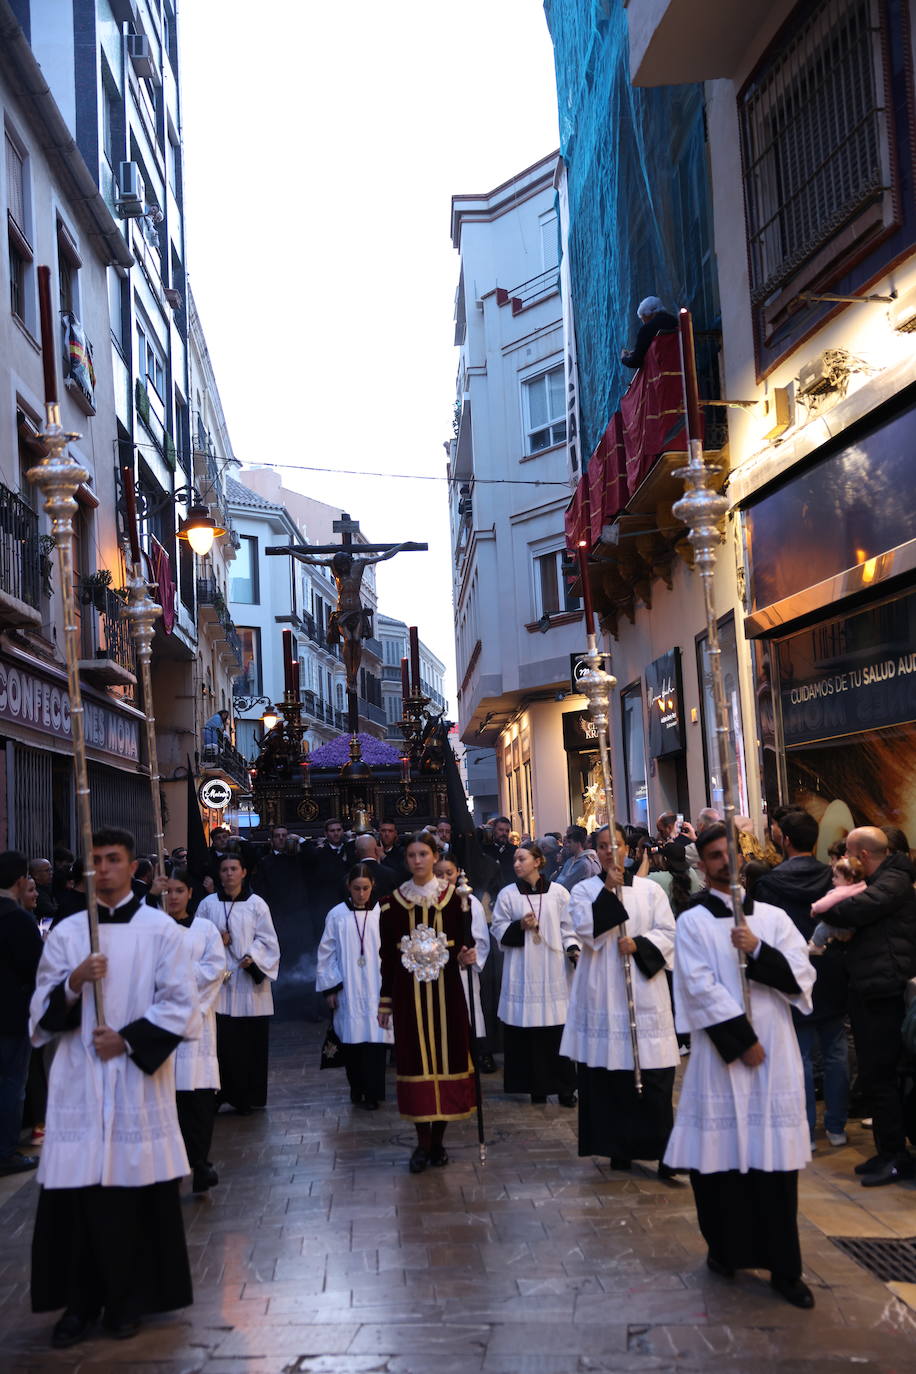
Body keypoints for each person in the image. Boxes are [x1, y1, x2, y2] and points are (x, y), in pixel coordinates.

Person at [29, 827, 197, 1347]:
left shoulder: (160, 931)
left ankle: (127, 1302)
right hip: (78, 1084)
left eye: (114, 859)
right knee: (76, 1201)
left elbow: (180, 1004)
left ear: (132, 867)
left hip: (132, 1084)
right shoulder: (68, 932)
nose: (103, 868)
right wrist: (75, 983)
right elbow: (39, 1012)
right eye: (96, 860)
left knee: (131, 1200)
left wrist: (123, 1042)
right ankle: (78, 1306)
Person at [663, 824, 816, 1309]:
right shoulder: (692, 921)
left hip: (775, 1051)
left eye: (729, 852)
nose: (723, 862)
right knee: (720, 1163)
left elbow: (803, 973)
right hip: (723, 1056)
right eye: (712, 856)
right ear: (702, 864)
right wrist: (741, 1040)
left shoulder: (771, 917)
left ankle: (785, 1269)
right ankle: (725, 1251)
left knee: (775, 1165)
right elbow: (696, 983)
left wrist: (757, 949)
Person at [562, 825, 678, 1175]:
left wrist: (640, 945)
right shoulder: (583, 890)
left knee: (654, 1070)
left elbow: (668, 931)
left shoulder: (650, 891)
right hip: (603, 988)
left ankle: (664, 1153)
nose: (610, 852)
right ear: (595, 852)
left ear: (628, 849)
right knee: (608, 1073)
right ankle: (617, 1148)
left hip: (643, 987)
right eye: (602, 846)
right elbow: (583, 928)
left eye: (616, 845)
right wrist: (609, 891)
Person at [377, 831, 477, 1172]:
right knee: (415, 1061)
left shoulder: (456, 899)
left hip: (446, 992)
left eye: (423, 854)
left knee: (448, 1058)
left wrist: (468, 953)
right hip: (409, 996)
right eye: (412, 856)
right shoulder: (391, 904)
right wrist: (385, 1002)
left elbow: (466, 941)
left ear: (435, 856)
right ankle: (422, 1144)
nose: (418, 860)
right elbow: (387, 958)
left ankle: (439, 1141)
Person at [828, 826, 916, 1185]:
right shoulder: (882, 879)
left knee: (882, 1076)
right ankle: (886, 1150)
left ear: (862, 855)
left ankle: (895, 1155)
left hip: (884, 989)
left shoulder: (892, 881)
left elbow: (850, 910)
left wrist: (833, 907)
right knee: (875, 1075)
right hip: (869, 987)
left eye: (848, 854)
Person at [754, 809, 846, 1148]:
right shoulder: (832, 878)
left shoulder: (768, 882)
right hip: (832, 967)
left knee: (801, 1054)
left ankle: (804, 1130)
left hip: (792, 971)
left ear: (785, 839)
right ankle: (837, 1127)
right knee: (835, 1051)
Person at [492, 843, 578, 1106]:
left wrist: (573, 948)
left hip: (554, 971)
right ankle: (536, 1089)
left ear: (538, 861)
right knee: (527, 1034)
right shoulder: (508, 895)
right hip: (523, 972)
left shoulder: (559, 893)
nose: (516, 864)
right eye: (515, 859)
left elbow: (569, 927)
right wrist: (519, 926)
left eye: (522, 859)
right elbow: (497, 929)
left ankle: (565, 1089)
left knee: (556, 1031)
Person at [198, 854, 280, 1115]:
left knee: (248, 1045)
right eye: (224, 870)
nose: (229, 874)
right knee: (222, 1043)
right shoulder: (208, 905)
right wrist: (215, 940)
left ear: (244, 872)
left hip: (248, 985)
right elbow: (194, 939)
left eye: (234, 869)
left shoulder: (257, 905)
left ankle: (247, 1096)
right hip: (219, 986)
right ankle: (220, 1094)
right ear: (219, 874)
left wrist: (252, 957)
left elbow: (268, 940)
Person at [165, 869, 225, 1194]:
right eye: (168, 891)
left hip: (198, 1025)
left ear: (190, 893)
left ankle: (200, 1163)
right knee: (168, 1101)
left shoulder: (205, 929)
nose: (173, 897)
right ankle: (171, 1167)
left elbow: (215, 970)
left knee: (198, 1100)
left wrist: (178, 984)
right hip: (161, 1024)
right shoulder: (153, 930)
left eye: (179, 891)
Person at [317, 862, 392, 1110]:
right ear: (348, 887)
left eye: (366, 888)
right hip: (347, 987)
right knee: (351, 1041)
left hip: (376, 986)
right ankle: (356, 1088)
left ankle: (373, 1093)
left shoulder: (382, 912)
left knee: (375, 1040)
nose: (361, 894)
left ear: (373, 887)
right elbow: (326, 954)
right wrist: (330, 989)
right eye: (356, 888)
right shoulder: (337, 914)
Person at [0, 851, 43, 1175]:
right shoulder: (17, 919)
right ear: (19, 881)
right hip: (12, 1016)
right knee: (12, 1084)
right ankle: (6, 1152)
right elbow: (36, 968)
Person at [435, 854, 490, 1062]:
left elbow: (481, 936)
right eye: (439, 873)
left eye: (449, 873)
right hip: (438, 965)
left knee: (468, 1008)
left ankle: (475, 1051)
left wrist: (474, 954)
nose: (444, 878)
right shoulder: (429, 899)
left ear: (457, 873)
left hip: (463, 967)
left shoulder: (469, 899)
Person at [809, 855, 866, 950]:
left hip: (842, 927)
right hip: (852, 927)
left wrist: (815, 908)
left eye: (836, 876)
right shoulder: (862, 886)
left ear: (849, 880)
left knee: (821, 928)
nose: (833, 879)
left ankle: (816, 946)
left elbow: (825, 902)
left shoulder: (841, 892)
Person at [620, 296, 678, 369]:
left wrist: (624, 359)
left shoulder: (646, 329)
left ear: (649, 314)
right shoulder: (674, 321)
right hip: (679, 364)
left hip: (661, 373)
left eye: (643, 318)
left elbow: (636, 362)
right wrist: (637, 352)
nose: (643, 322)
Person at [555, 826, 601, 893]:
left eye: (570, 842)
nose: (567, 845)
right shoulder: (571, 860)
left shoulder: (584, 863)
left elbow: (565, 884)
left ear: (578, 843)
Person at [482, 817, 517, 892]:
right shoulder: (485, 849)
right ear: (494, 830)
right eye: (501, 830)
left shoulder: (514, 850)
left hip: (510, 890)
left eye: (507, 831)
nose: (504, 833)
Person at [29, 859, 57, 924]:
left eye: (51, 869)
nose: (51, 873)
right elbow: (50, 911)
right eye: (47, 870)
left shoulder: (48, 887)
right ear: (35, 875)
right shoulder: (37, 892)